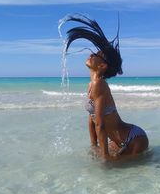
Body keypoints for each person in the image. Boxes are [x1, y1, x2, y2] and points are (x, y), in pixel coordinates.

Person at [61, 14, 149, 159]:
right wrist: (93, 145)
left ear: (102, 66)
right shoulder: (92, 84)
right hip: (117, 141)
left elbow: (101, 124)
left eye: (95, 54)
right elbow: (92, 118)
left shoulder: (99, 84)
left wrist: (104, 157)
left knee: (119, 172)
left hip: (134, 139)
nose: (91, 54)